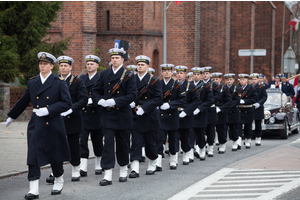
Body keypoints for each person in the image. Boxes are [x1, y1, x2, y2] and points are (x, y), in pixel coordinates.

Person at [5, 52, 72, 198]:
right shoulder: (33, 82)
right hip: (36, 123)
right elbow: (24, 100)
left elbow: (67, 103)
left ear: (51, 66)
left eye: (45, 64)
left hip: (53, 123)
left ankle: (59, 179)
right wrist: (11, 116)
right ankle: (33, 188)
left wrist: (48, 110)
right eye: (40, 64)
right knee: (33, 155)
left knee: (55, 155)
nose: (42, 66)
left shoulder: (59, 82)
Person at [92, 48, 137, 186]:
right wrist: (99, 100)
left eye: (117, 58)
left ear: (122, 59)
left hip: (122, 115)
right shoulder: (105, 74)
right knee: (108, 144)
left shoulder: (129, 75)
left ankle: (123, 170)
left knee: (123, 144)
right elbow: (95, 90)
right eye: (112, 58)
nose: (114, 60)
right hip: (108, 115)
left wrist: (116, 101)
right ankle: (108, 174)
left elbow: (132, 95)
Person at [46, 56, 88, 184]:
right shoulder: (53, 81)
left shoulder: (77, 82)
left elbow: (83, 99)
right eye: (61, 66)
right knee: (55, 146)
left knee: (73, 146)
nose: (63, 68)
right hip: (56, 119)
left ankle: (76, 169)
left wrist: (71, 109)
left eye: (66, 66)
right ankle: (55, 171)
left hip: (72, 120)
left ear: (70, 67)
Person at [128, 55, 162, 178]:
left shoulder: (154, 81)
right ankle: (135, 168)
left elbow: (158, 98)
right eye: (138, 64)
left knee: (150, 143)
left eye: (142, 65)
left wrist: (145, 107)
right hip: (136, 115)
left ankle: (153, 162)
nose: (140, 66)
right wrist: (131, 102)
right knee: (136, 142)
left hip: (149, 116)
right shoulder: (132, 79)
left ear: (148, 66)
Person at [156, 64, 186, 170]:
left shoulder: (177, 85)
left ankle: (173, 160)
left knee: (173, 139)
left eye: (169, 70)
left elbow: (183, 99)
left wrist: (170, 104)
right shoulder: (158, 84)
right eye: (165, 71)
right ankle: (158, 162)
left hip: (172, 115)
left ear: (172, 72)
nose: (167, 72)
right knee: (159, 139)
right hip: (160, 115)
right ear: (162, 72)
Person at [80, 55, 104, 177]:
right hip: (84, 113)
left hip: (97, 114)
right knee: (82, 140)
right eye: (88, 64)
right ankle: (83, 165)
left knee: (97, 140)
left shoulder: (101, 79)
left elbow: (104, 95)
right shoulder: (82, 78)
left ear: (97, 66)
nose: (89, 66)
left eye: (92, 64)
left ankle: (98, 163)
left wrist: (94, 101)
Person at [175, 66, 200, 165]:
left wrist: (186, 111)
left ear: (185, 75)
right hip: (174, 114)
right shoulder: (174, 85)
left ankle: (186, 153)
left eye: (181, 73)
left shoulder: (191, 86)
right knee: (174, 136)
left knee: (185, 136)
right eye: (178, 73)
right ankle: (175, 157)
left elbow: (196, 101)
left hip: (186, 115)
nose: (179, 75)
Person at [202, 66, 221, 157]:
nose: (205, 75)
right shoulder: (199, 84)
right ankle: (202, 146)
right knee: (201, 129)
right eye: (204, 73)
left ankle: (210, 147)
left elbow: (218, 96)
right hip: (201, 110)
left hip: (210, 109)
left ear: (210, 74)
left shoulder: (214, 85)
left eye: (207, 73)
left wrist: (209, 100)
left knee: (210, 130)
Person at [212, 72, 232, 154]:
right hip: (212, 109)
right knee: (210, 129)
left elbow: (229, 102)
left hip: (221, 111)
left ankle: (222, 144)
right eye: (214, 79)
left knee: (221, 129)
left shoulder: (224, 89)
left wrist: (221, 109)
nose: (215, 80)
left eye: (217, 79)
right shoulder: (210, 88)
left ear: (221, 79)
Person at [238, 74, 258, 149]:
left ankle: (248, 140)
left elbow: (254, 99)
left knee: (248, 126)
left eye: (243, 80)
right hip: (240, 109)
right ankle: (238, 140)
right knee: (238, 126)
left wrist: (245, 101)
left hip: (248, 109)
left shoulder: (251, 89)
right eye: (240, 80)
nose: (241, 81)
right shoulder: (238, 88)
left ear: (247, 80)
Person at [224, 73, 241, 151]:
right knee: (224, 128)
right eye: (227, 80)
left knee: (234, 128)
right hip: (225, 112)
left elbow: (237, 100)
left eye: (230, 79)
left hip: (233, 111)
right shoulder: (223, 88)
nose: (229, 81)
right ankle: (223, 143)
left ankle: (235, 142)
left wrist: (228, 106)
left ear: (234, 80)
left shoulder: (237, 89)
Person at [250, 73, 267, 146]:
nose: (254, 81)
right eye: (252, 79)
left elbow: (264, 97)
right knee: (248, 124)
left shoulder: (261, 87)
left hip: (258, 108)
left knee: (258, 124)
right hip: (250, 107)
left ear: (257, 80)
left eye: (255, 79)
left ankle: (258, 138)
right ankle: (248, 138)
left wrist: (259, 103)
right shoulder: (249, 87)